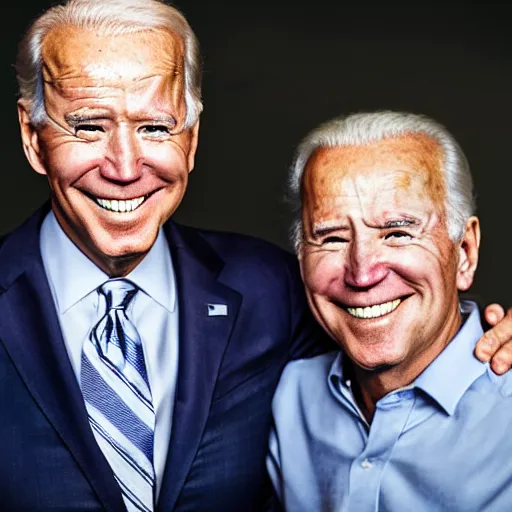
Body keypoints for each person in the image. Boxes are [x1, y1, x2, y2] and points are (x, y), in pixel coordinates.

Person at [0, 0, 508, 509]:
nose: (125, 167)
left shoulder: (271, 288)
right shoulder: (302, 341)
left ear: (192, 138)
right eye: (89, 125)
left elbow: (401, 311)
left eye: (156, 127)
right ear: (32, 136)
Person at [267, 111, 512, 511]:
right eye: (331, 238)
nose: (362, 273)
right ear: (301, 257)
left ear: (464, 253)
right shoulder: (288, 395)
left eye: (398, 232)